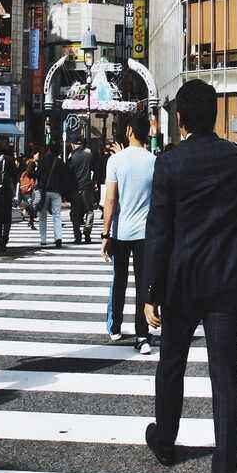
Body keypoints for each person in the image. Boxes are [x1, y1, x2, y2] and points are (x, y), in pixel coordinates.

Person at [142, 80, 237, 473]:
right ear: (215, 115)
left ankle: (165, 439)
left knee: (171, 362)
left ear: (180, 118)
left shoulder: (170, 162)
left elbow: (158, 231)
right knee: (226, 376)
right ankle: (223, 467)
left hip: (181, 280)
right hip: (227, 279)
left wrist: (150, 291)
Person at [101, 112, 156, 354]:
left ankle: (114, 328)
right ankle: (142, 336)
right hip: (146, 233)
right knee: (143, 284)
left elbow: (110, 200)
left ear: (129, 131)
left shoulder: (116, 161)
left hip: (121, 232)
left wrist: (105, 234)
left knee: (119, 280)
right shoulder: (155, 160)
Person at [37, 144, 68, 247]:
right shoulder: (60, 162)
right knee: (57, 215)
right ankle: (58, 238)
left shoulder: (42, 160)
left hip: (44, 190)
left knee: (42, 215)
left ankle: (43, 239)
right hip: (56, 191)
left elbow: (38, 175)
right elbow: (64, 178)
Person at [66, 136, 95, 245]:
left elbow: (68, 173)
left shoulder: (72, 156)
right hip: (87, 187)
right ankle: (87, 232)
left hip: (75, 188)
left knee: (75, 213)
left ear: (73, 145)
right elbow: (93, 169)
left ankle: (77, 235)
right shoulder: (89, 154)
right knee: (89, 211)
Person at [17, 155, 39, 229]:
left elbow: (20, 181)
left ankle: (25, 212)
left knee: (29, 206)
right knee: (31, 207)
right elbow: (34, 184)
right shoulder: (33, 174)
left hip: (23, 191)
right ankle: (31, 222)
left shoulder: (24, 173)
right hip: (29, 192)